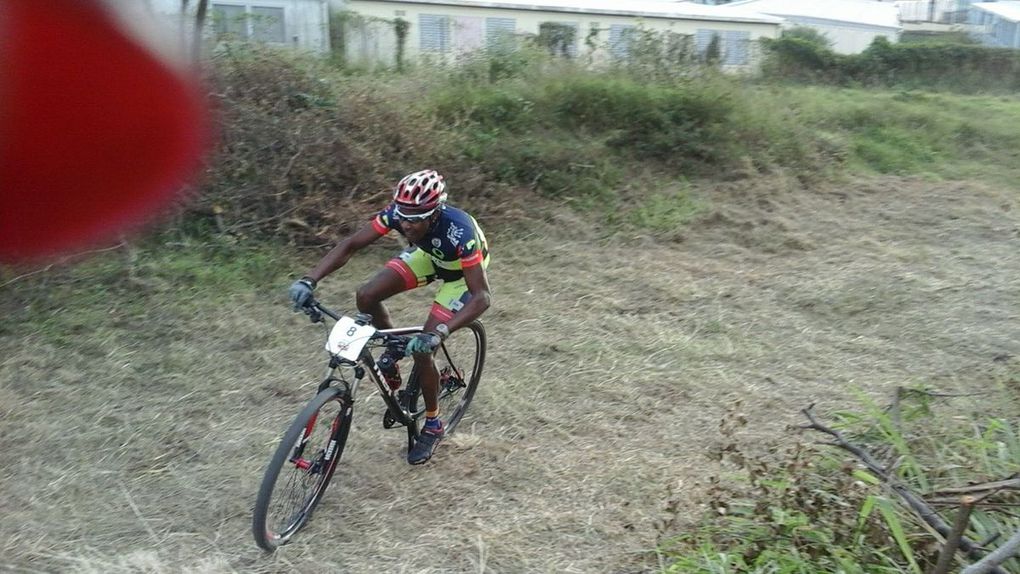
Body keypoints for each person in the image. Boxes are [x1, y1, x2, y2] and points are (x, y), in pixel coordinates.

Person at [288, 169, 491, 465]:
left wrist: (439, 333)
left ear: (434, 213)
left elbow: (482, 297)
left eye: (415, 218)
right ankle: (395, 347)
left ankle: (433, 424)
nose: (406, 224)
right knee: (366, 295)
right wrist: (310, 280)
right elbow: (351, 245)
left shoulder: (461, 232)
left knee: (425, 349)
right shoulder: (399, 213)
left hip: (462, 274)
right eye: (403, 216)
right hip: (431, 257)